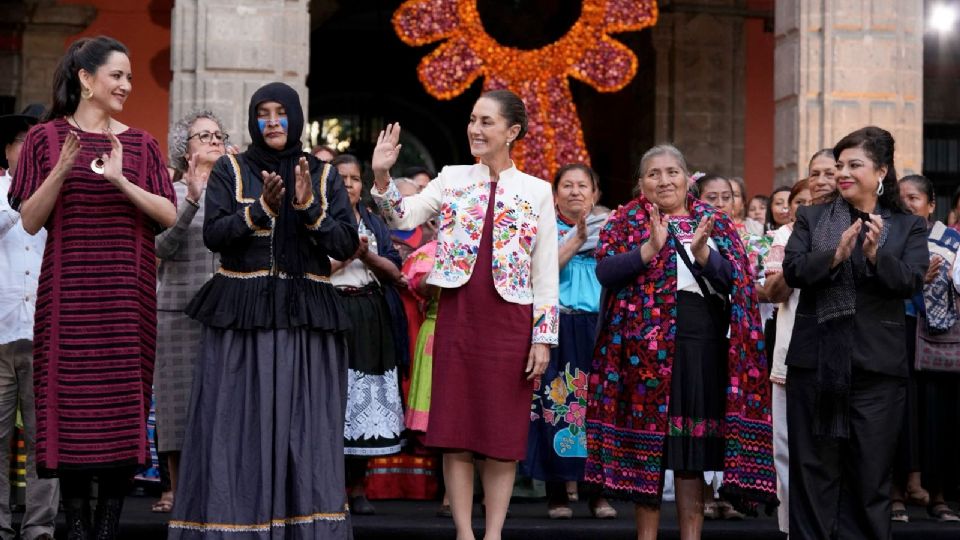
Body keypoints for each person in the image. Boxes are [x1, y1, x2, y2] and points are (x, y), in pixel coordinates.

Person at [167, 82, 359, 539]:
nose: (271, 122)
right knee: (238, 426)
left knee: (305, 429)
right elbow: (215, 234)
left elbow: (345, 243)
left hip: (305, 320)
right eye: (262, 114)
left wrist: (308, 207)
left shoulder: (324, 175)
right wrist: (262, 212)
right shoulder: (231, 169)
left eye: (280, 113)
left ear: (295, 116)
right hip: (243, 320)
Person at [369, 88, 559, 540]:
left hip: (510, 321)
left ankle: (492, 533)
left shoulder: (537, 191)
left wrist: (542, 338)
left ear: (512, 132)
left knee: (501, 435)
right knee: (454, 430)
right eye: (473, 119)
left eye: (486, 122)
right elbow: (402, 217)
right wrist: (381, 175)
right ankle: (463, 532)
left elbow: (545, 271)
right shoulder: (452, 178)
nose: (475, 128)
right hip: (457, 314)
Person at [8, 35, 177, 540]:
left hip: (127, 303)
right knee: (73, 419)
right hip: (69, 300)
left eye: (129, 76)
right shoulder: (43, 140)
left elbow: (168, 215)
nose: (126, 84)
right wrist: (61, 168)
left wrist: (124, 181)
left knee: (122, 413)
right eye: (117, 75)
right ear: (86, 79)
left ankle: (106, 529)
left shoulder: (143, 144)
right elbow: (31, 222)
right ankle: (77, 527)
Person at [585, 144, 776, 540]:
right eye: (653, 173)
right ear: (641, 183)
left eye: (672, 172)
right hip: (641, 356)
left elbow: (737, 281)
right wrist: (650, 248)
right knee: (648, 455)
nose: (663, 180)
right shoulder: (625, 219)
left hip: (700, 347)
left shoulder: (714, 221)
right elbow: (606, 271)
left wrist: (705, 254)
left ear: (687, 178)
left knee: (691, 455)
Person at [783, 126, 928, 540]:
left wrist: (875, 255)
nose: (841, 173)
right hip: (816, 366)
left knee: (869, 478)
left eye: (854, 165)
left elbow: (911, 282)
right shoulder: (812, 217)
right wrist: (835, 256)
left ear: (881, 171)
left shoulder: (907, 226)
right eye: (839, 165)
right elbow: (793, 271)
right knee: (813, 474)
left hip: (875, 370)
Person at [520, 163, 615, 520]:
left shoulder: (612, 231)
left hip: (600, 326)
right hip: (556, 327)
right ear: (555, 193)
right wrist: (574, 240)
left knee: (598, 411)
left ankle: (597, 494)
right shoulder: (543, 229)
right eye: (567, 186)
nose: (575, 191)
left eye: (583, 186)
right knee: (555, 410)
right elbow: (540, 274)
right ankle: (557, 492)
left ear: (596, 194)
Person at [152, 110, 228, 514]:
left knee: (223, 411)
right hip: (179, 313)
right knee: (178, 412)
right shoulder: (170, 192)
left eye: (218, 135)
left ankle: (219, 502)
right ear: (186, 150)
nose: (214, 141)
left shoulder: (236, 193)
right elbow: (161, 247)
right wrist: (192, 201)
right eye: (204, 136)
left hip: (228, 317)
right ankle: (180, 500)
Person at [330, 153, 405, 516]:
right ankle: (330, 489)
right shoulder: (320, 221)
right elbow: (311, 266)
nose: (349, 185)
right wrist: (347, 255)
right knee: (333, 401)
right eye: (341, 178)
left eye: (355, 178)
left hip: (370, 314)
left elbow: (395, 269)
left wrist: (369, 257)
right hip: (331, 312)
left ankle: (359, 488)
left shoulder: (375, 223)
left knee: (365, 403)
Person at [0, 103, 60, 540]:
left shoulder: (60, 192)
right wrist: (23, 198)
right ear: (7, 151)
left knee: (45, 442)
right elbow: (13, 218)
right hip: (0, 334)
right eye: (26, 142)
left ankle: (38, 526)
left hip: (43, 332)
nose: (34, 148)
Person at [898, 175, 960, 522]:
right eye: (902, 198)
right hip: (898, 332)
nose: (908, 204)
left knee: (938, 417)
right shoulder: (891, 238)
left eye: (915, 198)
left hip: (939, 337)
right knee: (901, 413)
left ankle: (939, 496)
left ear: (931, 205)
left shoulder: (950, 241)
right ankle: (895, 494)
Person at [759, 177, 812, 537]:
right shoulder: (783, 238)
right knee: (786, 446)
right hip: (790, 349)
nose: (805, 207)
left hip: (837, 351)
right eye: (799, 202)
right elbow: (771, 291)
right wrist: (800, 254)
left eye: (814, 201)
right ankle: (791, 527)